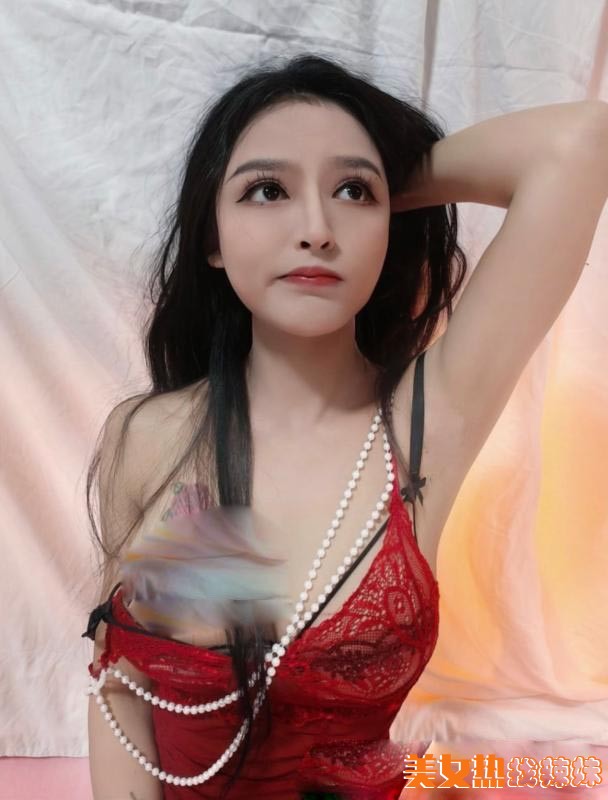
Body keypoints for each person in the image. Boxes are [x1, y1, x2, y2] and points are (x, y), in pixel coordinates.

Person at [82, 53, 608, 799]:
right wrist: (352, 186)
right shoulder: (149, 439)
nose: (317, 230)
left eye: (352, 193)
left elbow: (580, 142)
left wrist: (385, 181)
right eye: (268, 190)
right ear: (213, 239)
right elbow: (122, 685)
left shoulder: (429, 421)